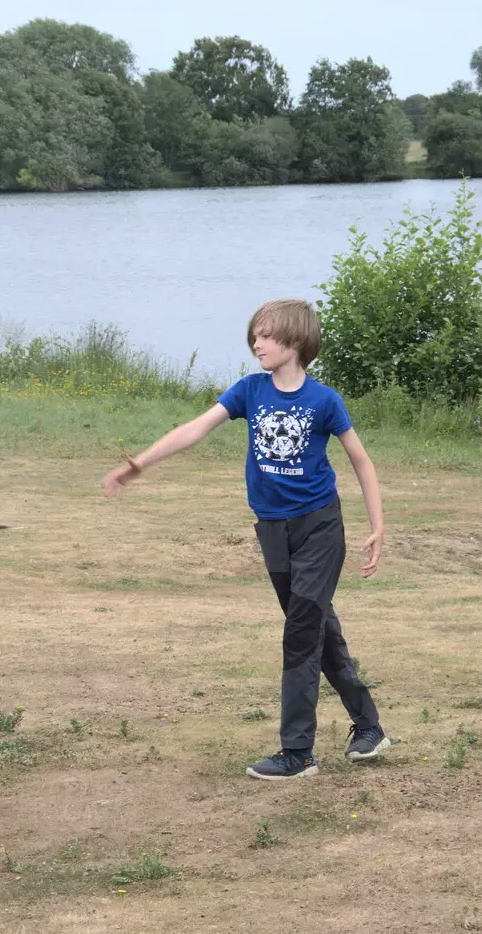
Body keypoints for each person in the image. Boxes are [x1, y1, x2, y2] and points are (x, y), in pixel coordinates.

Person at [102, 298, 390, 780]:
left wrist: (377, 525)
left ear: (295, 341)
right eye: (254, 333)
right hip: (273, 529)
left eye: (268, 334)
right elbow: (196, 429)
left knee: (300, 631)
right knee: (316, 629)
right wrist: (140, 465)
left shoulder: (324, 400)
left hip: (320, 527)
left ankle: (297, 753)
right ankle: (369, 726)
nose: (257, 342)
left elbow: (361, 461)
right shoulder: (249, 391)